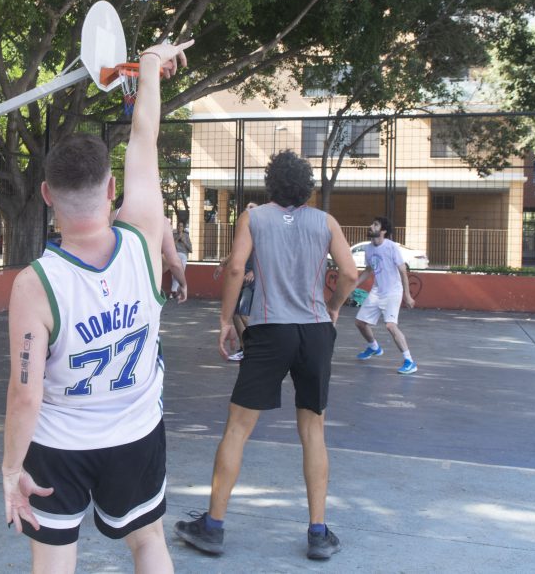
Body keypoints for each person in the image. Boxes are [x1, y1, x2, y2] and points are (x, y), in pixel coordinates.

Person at [2, 40, 192, 573]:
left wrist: (9, 469)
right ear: (112, 189)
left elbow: (25, 394)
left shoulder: (34, 285)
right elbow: (144, 136)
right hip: (135, 432)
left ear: (45, 194)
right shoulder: (145, 238)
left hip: (59, 444)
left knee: (54, 560)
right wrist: (150, 67)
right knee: (149, 541)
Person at [174, 150, 358, 561]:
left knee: (238, 428)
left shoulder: (254, 218)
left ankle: (214, 526)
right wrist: (334, 307)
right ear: (307, 186)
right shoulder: (325, 222)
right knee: (314, 430)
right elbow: (349, 273)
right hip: (313, 332)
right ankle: (318, 532)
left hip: (269, 330)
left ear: (270, 184)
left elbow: (236, 269)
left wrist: (225, 320)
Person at [353, 216, 418, 375]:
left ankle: (410, 361)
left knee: (390, 325)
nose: (371, 226)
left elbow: (403, 271)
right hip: (377, 291)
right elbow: (369, 270)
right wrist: (353, 285)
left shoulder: (391, 247)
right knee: (360, 322)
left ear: (383, 231)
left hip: (393, 291)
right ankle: (374, 347)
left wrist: (407, 296)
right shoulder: (368, 248)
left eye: (375, 225)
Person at [111, 196, 187, 303]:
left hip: (113, 285)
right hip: (143, 287)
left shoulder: (108, 218)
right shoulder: (158, 220)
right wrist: (183, 284)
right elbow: (173, 261)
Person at [213, 202, 258, 359]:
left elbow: (268, 256)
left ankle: (261, 344)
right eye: (246, 209)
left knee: (244, 313)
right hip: (241, 276)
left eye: (251, 210)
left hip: (252, 277)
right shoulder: (244, 231)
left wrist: (254, 271)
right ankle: (245, 348)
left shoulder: (260, 232)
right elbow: (235, 254)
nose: (248, 212)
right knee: (236, 313)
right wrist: (221, 264)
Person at [171, 221, 192, 299]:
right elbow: (170, 246)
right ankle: (174, 291)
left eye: (181, 226)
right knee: (175, 273)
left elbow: (190, 249)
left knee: (181, 273)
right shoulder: (173, 235)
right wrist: (177, 239)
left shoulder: (186, 236)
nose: (180, 228)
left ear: (183, 228)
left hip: (183, 255)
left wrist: (183, 241)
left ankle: (174, 292)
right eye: (179, 226)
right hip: (175, 254)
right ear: (177, 227)